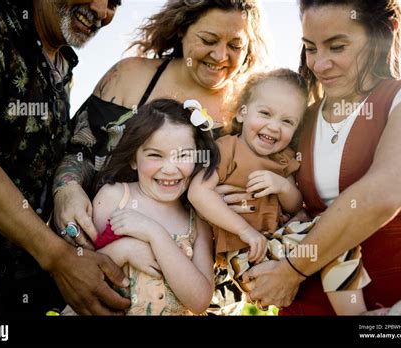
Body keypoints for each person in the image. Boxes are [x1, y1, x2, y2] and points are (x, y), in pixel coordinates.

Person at [239, 0, 401, 315]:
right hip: (307, 305)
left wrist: (290, 271)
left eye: (337, 47)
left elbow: (385, 192)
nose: (319, 65)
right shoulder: (298, 119)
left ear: (386, 33)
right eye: (310, 49)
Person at [0, 0, 130, 315]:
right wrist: (57, 257)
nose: (102, 11)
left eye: (115, 2)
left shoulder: (63, 67)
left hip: (6, 288)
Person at [52, 0, 270, 252]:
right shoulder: (129, 76)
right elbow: (79, 151)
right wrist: (66, 188)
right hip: (98, 249)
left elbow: (277, 178)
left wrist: (252, 203)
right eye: (208, 40)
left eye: (235, 45)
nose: (221, 56)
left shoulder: (250, 110)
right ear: (182, 30)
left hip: (191, 271)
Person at [189, 69, 373, 315]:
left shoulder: (284, 160)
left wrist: (283, 186)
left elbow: (295, 206)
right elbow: (198, 193)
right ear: (243, 112)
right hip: (247, 259)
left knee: (336, 237)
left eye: (287, 121)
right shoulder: (226, 149)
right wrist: (245, 231)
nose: (274, 127)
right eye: (265, 113)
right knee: (335, 237)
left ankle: (360, 316)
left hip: (280, 245)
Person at [62, 98, 217, 315]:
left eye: (183, 156)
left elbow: (199, 301)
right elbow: (80, 267)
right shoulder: (114, 197)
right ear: (134, 159)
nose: (170, 169)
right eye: (155, 155)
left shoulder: (198, 222)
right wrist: (126, 249)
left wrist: (155, 234)